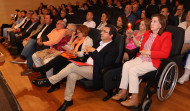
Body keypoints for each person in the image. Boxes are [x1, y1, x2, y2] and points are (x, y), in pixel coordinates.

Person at [32, 24, 119, 111]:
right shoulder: (98, 42)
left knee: (72, 66)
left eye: (105, 32)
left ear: (111, 35)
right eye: (102, 30)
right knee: (72, 75)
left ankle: (50, 81)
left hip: (96, 70)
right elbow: (91, 55)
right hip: (86, 65)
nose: (101, 33)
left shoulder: (113, 48)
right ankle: (68, 100)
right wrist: (88, 52)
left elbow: (103, 64)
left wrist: (94, 51)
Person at [112, 14, 172, 108]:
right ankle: (123, 92)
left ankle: (134, 100)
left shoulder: (166, 35)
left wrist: (149, 52)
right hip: (142, 57)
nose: (152, 23)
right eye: (151, 21)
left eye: (155, 21)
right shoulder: (148, 33)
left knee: (133, 70)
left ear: (161, 24)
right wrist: (131, 36)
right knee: (126, 65)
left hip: (153, 61)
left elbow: (165, 54)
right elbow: (140, 46)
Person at [32, 25, 93, 92]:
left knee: (61, 57)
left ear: (83, 32)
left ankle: (43, 68)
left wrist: (75, 53)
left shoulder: (88, 40)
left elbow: (85, 54)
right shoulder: (77, 39)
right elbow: (70, 47)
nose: (77, 34)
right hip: (72, 56)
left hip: (79, 60)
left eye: (78, 33)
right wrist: (71, 41)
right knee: (58, 63)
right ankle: (55, 85)